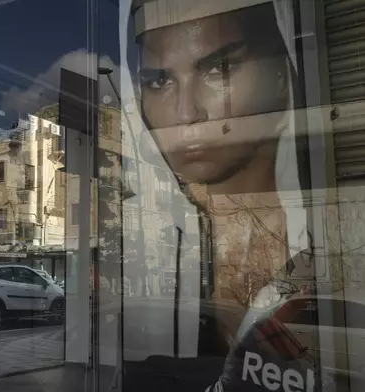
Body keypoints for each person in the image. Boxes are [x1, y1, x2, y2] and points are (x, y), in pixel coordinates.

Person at [121, 0, 330, 391]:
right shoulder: (152, 246)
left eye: (220, 68)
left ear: (283, 76)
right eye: (159, 81)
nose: (186, 113)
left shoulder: (331, 237)